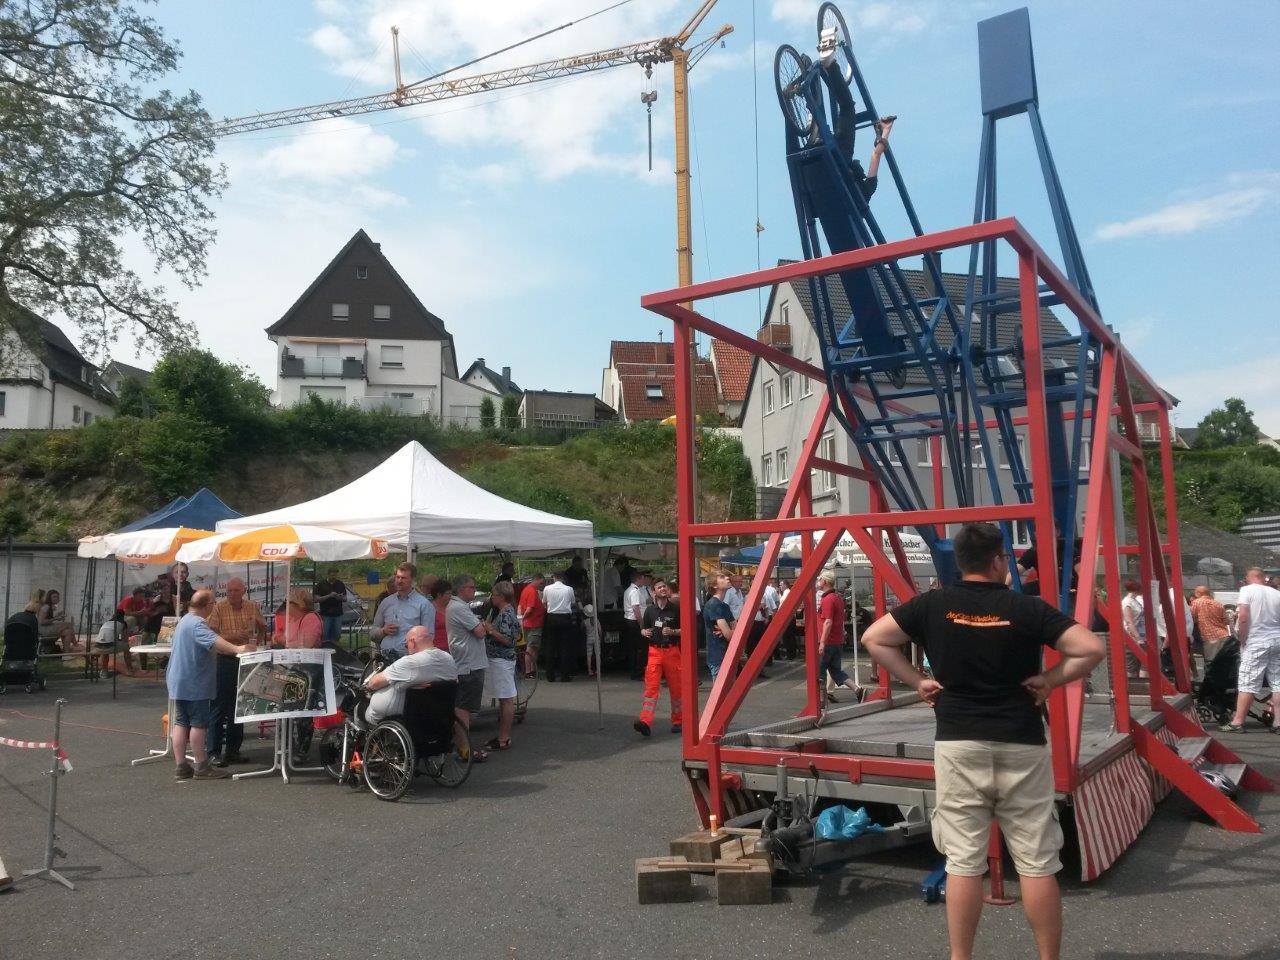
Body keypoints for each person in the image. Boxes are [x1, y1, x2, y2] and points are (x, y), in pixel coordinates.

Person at [861, 522, 1104, 960]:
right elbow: (1089, 648)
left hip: (958, 741)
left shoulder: (933, 604)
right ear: (997, 561)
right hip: (1020, 741)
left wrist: (918, 681)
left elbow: (874, 639)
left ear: (960, 561)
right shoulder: (1026, 608)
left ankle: (961, 957)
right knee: (1035, 862)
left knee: (962, 863)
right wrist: (1049, 679)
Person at [165, 590, 256, 781]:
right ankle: (201, 765)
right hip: (193, 681)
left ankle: (181, 765)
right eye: (213, 604)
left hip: (177, 679)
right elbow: (214, 640)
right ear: (207, 606)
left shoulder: (184, 620)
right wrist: (237, 648)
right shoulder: (198, 623)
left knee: (181, 722)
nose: (214, 607)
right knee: (199, 723)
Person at [206, 577, 267, 766]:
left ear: (243, 591)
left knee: (239, 706)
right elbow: (210, 634)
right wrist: (233, 636)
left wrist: (261, 631)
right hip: (225, 660)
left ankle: (233, 751)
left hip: (246, 660)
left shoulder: (251, 607)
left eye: (236, 590)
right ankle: (213, 752)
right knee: (219, 706)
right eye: (229, 591)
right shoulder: (219, 608)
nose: (232, 594)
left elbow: (262, 628)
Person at [1222, 568, 1280, 733]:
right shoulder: (1276, 594)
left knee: (1248, 682)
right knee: (1277, 682)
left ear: (1249, 577)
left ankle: (1238, 721)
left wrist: (1242, 639)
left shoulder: (1247, 590)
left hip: (1256, 640)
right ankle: (1278, 723)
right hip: (1277, 640)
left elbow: (1244, 616)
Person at [363, 625, 458, 726]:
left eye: (406, 645)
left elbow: (374, 683)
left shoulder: (410, 662)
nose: (407, 648)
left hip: (403, 718)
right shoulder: (449, 659)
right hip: (438, 716)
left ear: (412, 642)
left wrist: (367, 686)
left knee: (358, 708)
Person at [446, 574, 490, 762]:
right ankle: (464, 748)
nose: (474, 590)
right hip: (468, 665)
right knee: (463, 708)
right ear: (461, 589)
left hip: (468, 662)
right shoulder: (458, 608)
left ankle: (463, 745)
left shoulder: (458, 607)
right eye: (471, 587)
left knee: (464, 706)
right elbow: (480, 632)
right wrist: (484, 626)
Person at [633, 577, 683, 737]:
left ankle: (678, 720)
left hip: (672, 651)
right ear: (654, 592)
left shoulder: (675, 609)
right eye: (659, 587)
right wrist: (643, 632)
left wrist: (674, 632)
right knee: (651, 688)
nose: (663, 589)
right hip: (654, 651)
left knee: (676, 688)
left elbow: (686, 630)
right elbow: (644, 628)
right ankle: (645, 722)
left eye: (664, 587)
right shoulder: (650, 611)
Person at [483, 581, 520, 751]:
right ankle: (502, 735)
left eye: (494, 595)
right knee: (504, 698)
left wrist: (490, 630)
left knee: (506, 699)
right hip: (500, 660)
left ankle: (504, 738)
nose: (492, 597)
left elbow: (508, 640)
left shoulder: (507, 614)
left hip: (502, 660)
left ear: (501, 596)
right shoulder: (504, 611)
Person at [816, 571, 860, 703]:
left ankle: (822, 701)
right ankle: (858, 689)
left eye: (820, 579)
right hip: (837, 640)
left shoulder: (827, 599)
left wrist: (822, 642)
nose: (819, 582)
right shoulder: (838, 598)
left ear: (825, 582)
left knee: (820, 672)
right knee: (836, 671)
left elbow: (828, 621)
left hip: (828, 641)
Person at [370, 561, 433, 655]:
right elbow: (372, 633)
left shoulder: (423, 604)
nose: (399, 581)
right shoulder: (386, 602)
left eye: (403, 578)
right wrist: (383, 631)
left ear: (412, 580)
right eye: (397, 577)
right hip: (385, 658)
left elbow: (429, 636)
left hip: (409, 659)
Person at [542, 569, 578, 682]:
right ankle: (565, 675)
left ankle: (550, 675)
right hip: (565, 618)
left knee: (550, 647)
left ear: (554, 577)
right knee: (564, 647)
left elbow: (544, 603)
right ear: (563, 578)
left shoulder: (547, 589)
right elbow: (573, 602)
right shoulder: (569, 589)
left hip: (551, 618)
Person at [702, 571, 735, 680]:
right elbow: (730, 635)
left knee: (729, 694)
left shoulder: (723, 605)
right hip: (718, 656)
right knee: (723, 695)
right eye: (722, 577)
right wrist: (729, 630)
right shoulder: (714, 605)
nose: (727, 578)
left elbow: (734, 629)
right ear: (714, 585)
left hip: (726, 655)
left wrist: (729, 630)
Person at [623, 571, 653, 680]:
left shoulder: (629, 590)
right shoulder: (635, 591)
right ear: (638, 579)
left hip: (629, 620)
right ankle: (638, 672)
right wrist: (641, 624)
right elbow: (636, 608)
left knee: (633, 648)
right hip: (635, 621)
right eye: (642, 578)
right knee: (640, 648)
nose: (643, 581)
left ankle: (634, 671)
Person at [1190, 586, 1231, 664]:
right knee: (1222, 661)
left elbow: (1191, 618)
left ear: (1199, 593)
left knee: (1210, 661)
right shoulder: (1218, 604)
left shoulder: (1197, 602)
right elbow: (1226, 621)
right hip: (1223, 635)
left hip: (1210, 636)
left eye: (1195, 593)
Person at [518, 573, 545, 679]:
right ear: (536, 580)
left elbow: (520, 606)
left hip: (528, 624)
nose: (542, 585)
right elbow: (530, 609)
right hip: (534, 624)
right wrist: (523, 618)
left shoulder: (525, 590)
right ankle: (529, 671)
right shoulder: (533, 592)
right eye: (541, 582)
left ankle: (531, 670)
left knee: (531, 647)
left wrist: (521, 619)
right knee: (532, 648)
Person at [312, 568, 347, 648]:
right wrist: (329, 595)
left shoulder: (340, 584)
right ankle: (325, 649)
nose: (334, 577)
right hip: (325, 614)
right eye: (332, 575)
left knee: (337, 634)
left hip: (338, 614)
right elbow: (316, 599)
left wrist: (339, 597)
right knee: (325, 634)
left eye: (335, 575)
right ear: (328, 574)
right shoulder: (321, 584)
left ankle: (335, 650)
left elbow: (345, 598)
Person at [36, 588, 78, 653]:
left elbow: (48, 619)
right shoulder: (46, 606)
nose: (56, 598)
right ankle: (75, 644)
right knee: (68, 624)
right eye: (54, 596)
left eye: (57, 597)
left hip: (46, 628)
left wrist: (57, 616)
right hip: (44, 630)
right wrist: (56, 618)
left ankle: (66, 652)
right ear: (49, 597)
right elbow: (41, 621)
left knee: (68, 631)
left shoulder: (49, 606)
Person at [1120, 580, 1147, 678]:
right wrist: (1138, 638)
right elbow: (1129, 621)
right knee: (1132, 665)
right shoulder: (1127, 602)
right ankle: (1134, 686)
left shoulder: (1134, 601)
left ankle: (1140, 685)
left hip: (1141, 635)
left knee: (1144, 663)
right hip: (1132, 637)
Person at [93, 610, 128, 677]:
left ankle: (104, 671)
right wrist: (120, 640)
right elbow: (124, 638)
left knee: (105, 651)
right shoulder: (123, 623)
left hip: (98, 645)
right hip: (109, 646)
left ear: (113, 615)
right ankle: (129, 668)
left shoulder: (106, 622)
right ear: (123, 616)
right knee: (127, 647)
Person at [426, 578, 452, 653]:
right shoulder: (429, 608)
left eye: (451, 593)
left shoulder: (452, 608)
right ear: (439, 594)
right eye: (448, 593)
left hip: (453, 650)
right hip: (436, 651)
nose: (450, 596)